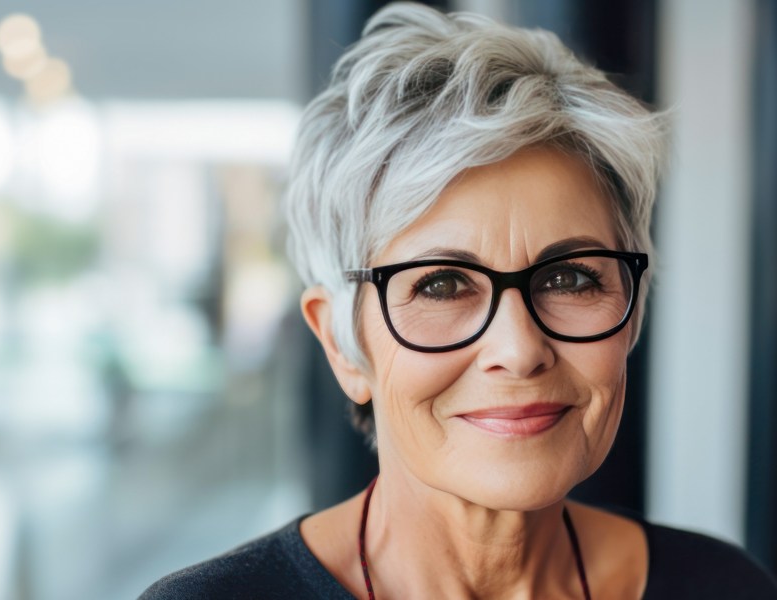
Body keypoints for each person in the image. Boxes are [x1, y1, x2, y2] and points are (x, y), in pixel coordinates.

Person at [140, 3, 777, 598]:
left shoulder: (724, 586)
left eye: (570, 278)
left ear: (631, 311)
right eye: (440, 284)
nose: (520, 349)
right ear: (340, 342)